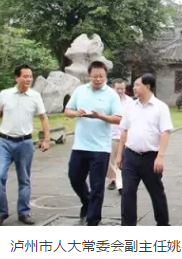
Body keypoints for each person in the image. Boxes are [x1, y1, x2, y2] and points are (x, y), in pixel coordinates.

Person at [0, 64, 50, 226]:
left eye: (30, 76)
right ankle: (1, 212)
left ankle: (24, 212)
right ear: (16, 78)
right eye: (25, 76)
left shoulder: (35, 96)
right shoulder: (5, 94)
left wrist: (46, 139)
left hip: (25, 143)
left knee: (24, 179)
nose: (29, 79)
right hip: (5, 142)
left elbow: (43, 118)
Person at [64, 61, 122, 226]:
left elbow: (118, 118)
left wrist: (101, 116)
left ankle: (93, 220)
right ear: (89, 75)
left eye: (101, 76)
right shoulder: (80, 90)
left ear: (106, 76)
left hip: (100, 148)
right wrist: (77, 113)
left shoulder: (111, 94)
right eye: (95, 76)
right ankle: (86, 201)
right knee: (75, 178)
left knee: (97, 186)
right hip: (80, 145)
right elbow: (67, 110)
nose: (98, 79)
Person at [117, 73, 173, 226]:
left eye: (137, 85)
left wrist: (160, 156)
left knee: (156, 192)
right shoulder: (130, 106)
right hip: (130, 155)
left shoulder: (160, 107)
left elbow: (165, 132)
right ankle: (128, 226)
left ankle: (163, 224)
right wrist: (119, 154)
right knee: (127, 192)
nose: (134, 88)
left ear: (147, 86)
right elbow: (124, 130)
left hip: (151, 157)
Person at [107, 78, 132, 195]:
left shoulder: (130, 101)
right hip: (111, 134)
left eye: (122, 88)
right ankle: (113, 179)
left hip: (125, 135)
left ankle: (120, 184)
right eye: (118, 89)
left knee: (123, 159)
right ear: (113, 88)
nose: (120, 91)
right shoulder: (108, 101)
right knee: (111, 160)